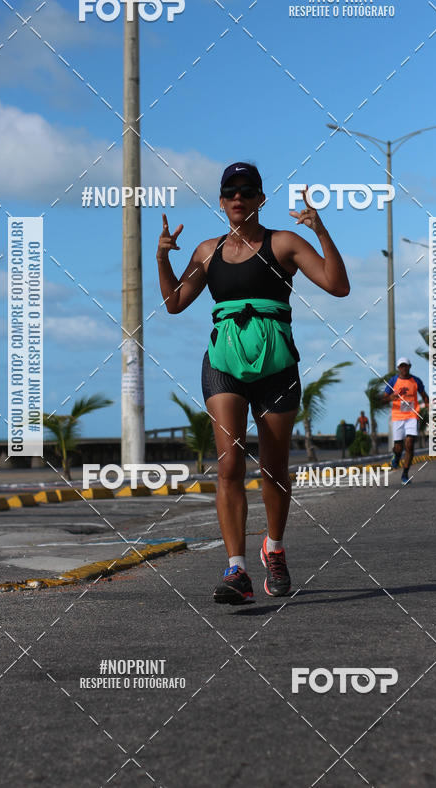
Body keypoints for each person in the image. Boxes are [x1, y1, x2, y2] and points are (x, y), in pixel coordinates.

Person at [156, 162, 350, 604]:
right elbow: (174, 303)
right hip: (222, 363)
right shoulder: (207, 251)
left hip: (276, 366)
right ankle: (236, 570)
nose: (238, 197)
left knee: (275, 469)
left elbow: (338, 286)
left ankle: (275, 549)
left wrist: (321, 230)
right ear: (222, 202)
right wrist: (162, 258)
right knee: (229, 465)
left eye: (247, 191)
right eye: (231, 192)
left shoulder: (284, 243)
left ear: (261, 199)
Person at [380, 357, 429, 485]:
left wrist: (428, 404)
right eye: (401, 366)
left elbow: (424, 395)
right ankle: (396, 457)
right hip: (397, 416)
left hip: (412, 416)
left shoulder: (416, 381)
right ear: (398, 368)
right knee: (398, 447)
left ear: (410, 366)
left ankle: (405, 474)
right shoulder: (393, 381)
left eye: (406, 366)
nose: (404, 368)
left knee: (410, 444)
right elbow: (383, 399)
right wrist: (391, 397)